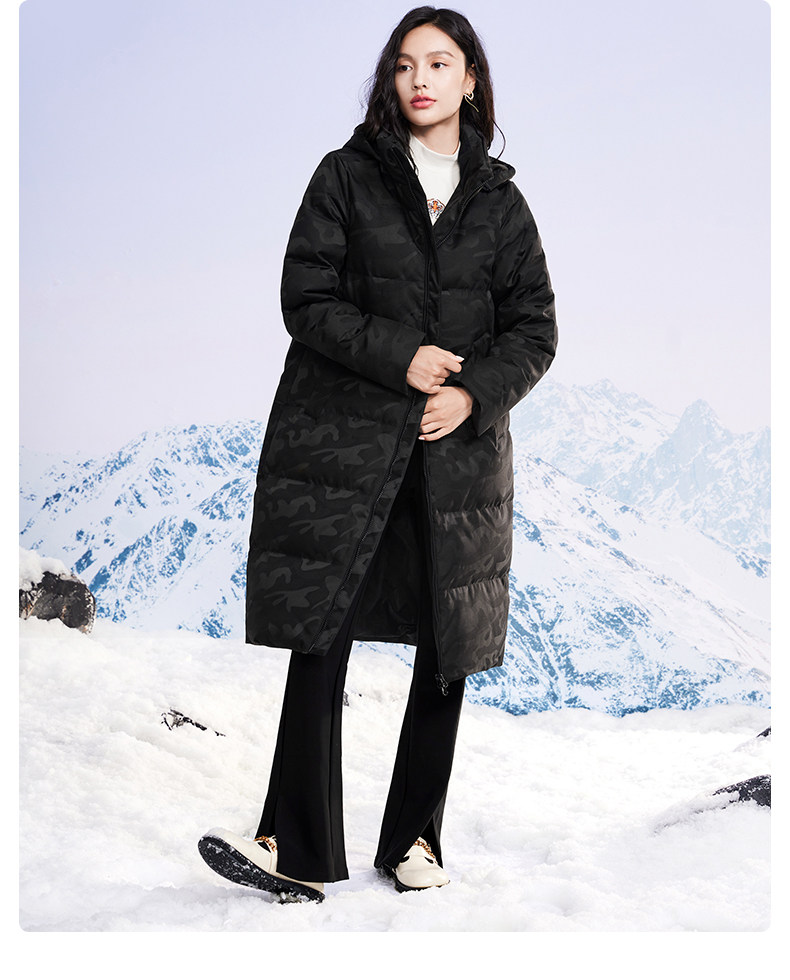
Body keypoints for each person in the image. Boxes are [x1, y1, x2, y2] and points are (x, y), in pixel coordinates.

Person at [198, 5, 557, 903]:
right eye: (404, 65)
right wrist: (402, 357)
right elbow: (306, 297)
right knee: (322, 633)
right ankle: (292, 842)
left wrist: (472, 394)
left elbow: (535, 329)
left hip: (456, 460)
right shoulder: (346, 177)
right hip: (344, 446)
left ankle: (415, 840)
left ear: (470, 81)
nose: (419, 79)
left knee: (446, 645)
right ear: (390, 82)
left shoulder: (501, 203)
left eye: (438, 63)